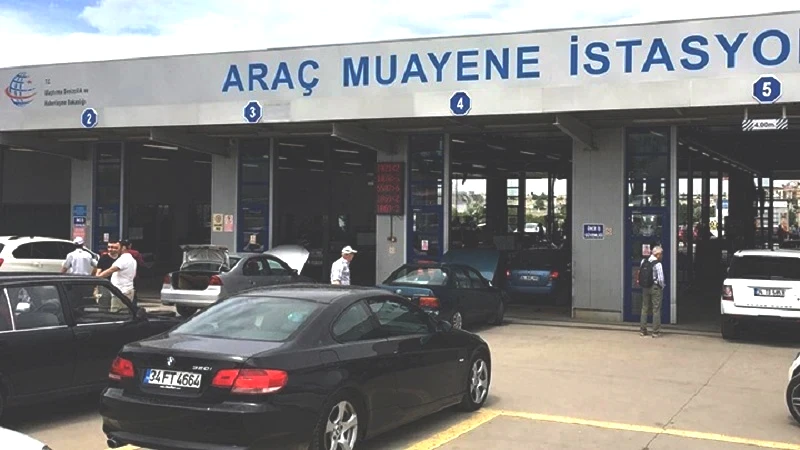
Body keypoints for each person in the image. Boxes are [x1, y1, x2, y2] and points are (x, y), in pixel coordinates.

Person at [96, 239, 137, 311]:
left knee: (116, 314)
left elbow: (110, 270)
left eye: (117, 247)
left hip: (120, 292)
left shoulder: (123, 259)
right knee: (124, 312)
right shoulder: (132, 259)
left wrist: (97, 278)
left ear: (123, 248)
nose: (116, 250)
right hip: (127, 290)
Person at [638, 245, 665, 338]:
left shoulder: (643, 261)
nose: (661, 256)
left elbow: (640, 273)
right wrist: (662, 287)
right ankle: (655, 331)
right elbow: (661, 279)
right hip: (655, 287)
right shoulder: (658, 264)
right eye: (661, 254)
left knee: (644, 308)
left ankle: (643, 330)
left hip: (645, 287)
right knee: (656, 309)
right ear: (658, 254)